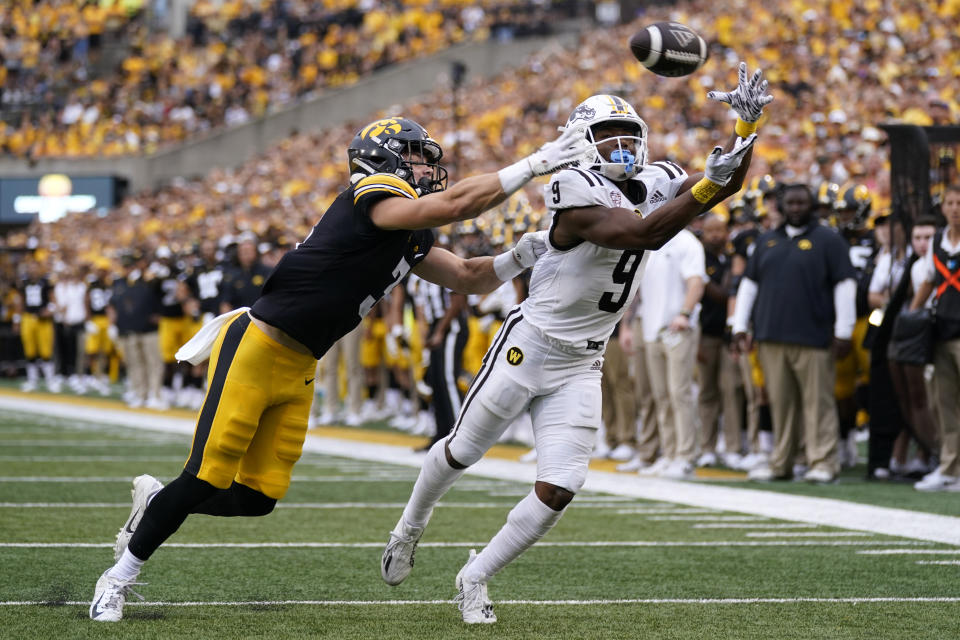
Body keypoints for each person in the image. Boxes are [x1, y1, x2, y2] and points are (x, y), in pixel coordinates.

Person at [89, 116, 587, 622]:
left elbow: (463, 276)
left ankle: (156, 504)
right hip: (257, 346)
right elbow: (456, 204)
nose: (425, 166)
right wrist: (535, 164)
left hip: (302, 362)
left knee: (258, 498)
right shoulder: (371, 195)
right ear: (384, 157)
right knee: (204, 477)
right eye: (415, 154)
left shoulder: (406, 229)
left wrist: (518, 256)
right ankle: (117, 579)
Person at [383, 64, 768, 624]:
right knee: (463, 449)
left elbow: (724, 180)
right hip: (531, 344)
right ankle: (409, 527)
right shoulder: (570, 186)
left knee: (561, 486)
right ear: (583, 145)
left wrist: (743, 128)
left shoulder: (657, 177)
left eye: (630, 136)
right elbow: (641, 232)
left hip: (585, 359)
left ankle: (475, 576)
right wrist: (709, 185)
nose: (624, 147)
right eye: (610, 137)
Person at [733, 183, 857, 483]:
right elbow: (749, 285)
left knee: (818, 403)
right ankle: (782, 463)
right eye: (791, 203)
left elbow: (845, 284)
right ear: (781, 206)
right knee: (781, 403)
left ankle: (823, 462)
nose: (796, 208)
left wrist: (844, 331)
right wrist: (739, 325)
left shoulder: (829, 240)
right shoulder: (767, 241)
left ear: (812, 205)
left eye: (802, 203)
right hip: (771, 335)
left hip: (814, 336)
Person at [909, 184, 960, 490]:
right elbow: (928, 282)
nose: (955, 208)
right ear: (943, 208)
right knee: (944, 403)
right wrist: (911, 319)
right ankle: (950, 466)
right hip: (941, 331)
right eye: (950, 202)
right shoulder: (938, 241)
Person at [696, 213, 744, 468]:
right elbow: (720, 295)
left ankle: (734, 446)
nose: (716, 235)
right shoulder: (699, 255)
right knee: (707, 391)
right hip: (706, 333)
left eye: (720, 230)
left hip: (728, 334)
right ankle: (707, 447)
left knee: (732, 390)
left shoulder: (732, 256)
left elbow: (727, 294)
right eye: (711, 230)